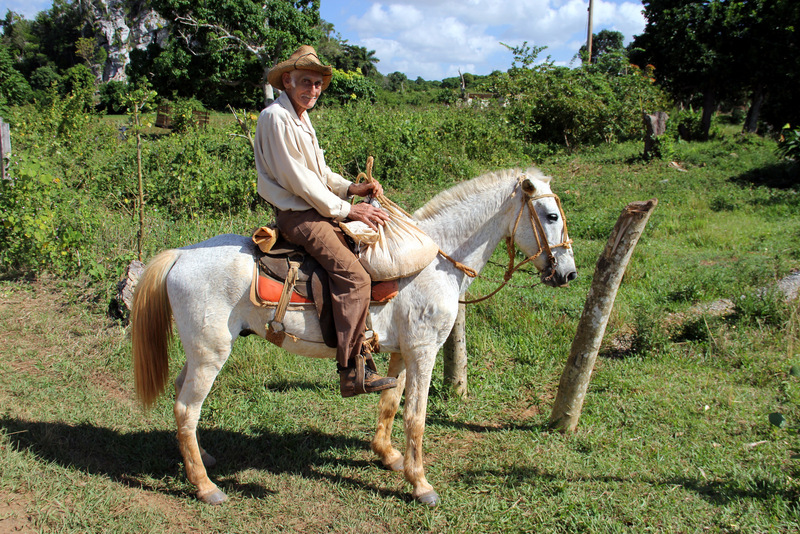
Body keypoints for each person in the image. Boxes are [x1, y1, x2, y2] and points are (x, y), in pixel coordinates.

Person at [254, 45, 397, 398]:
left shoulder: (301, 117)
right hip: (301, 216)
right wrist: (349, 209)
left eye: (318, 84)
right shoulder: (276, 117)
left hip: (314, 209)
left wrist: (351, 188)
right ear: (288, 80)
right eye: (306, 81)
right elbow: (299, 181)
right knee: (355, 277)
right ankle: (351, 372)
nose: (313, 89)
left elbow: (320, 172)